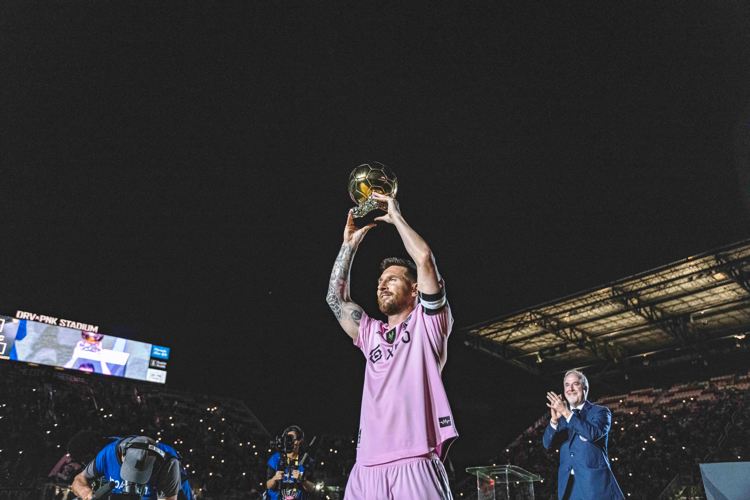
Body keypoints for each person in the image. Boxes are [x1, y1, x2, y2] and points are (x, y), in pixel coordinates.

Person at [326, 191, 457, 499]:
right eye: (379, 281)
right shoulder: (370, 333)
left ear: (414, 290)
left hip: (415, 461)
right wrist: (348, 246)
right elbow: (335, 299)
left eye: (392, 279)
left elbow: (424, 259)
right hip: (366, 467)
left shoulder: (429, 324)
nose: (382, 284)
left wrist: (396, 217)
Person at [542, 370, 625, 500]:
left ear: (585, 389)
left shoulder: (600, 412)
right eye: (567, 385)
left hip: (595, 486)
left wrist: (566, 412)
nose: (570, 388)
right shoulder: (561, 419)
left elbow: (593, 434)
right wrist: (553, 421)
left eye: (575, 384)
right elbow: (547, 445)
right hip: (569, 488)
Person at [70, 435, 192, 500]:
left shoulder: (168, 463)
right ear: (123, 456)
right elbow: (78, 480)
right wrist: (88, 495)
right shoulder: (107, 454)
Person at [265, 425, 315, 499]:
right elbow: (268, 485)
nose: (289, 441)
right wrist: (274, 478)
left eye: (292, 438)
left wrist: (303, 480)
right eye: (287, 438)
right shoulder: (275, 458)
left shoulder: (307, 461)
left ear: (299, 441)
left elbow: (312, 488)